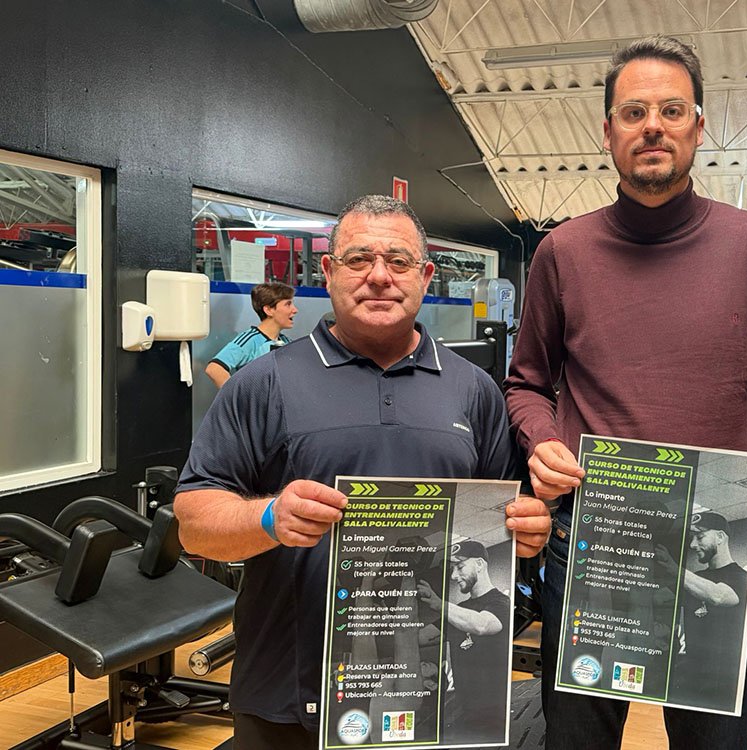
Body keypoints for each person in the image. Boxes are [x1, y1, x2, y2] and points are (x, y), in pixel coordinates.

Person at [503, 36, 747, 750]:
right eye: (633, 111)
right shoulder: (563, 252)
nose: (653, 125)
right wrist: (541, 440)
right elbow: (527, 381)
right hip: (594, 541)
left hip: (713, 538)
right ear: (607, 131)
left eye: (671, 110)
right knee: (578, 742)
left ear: (699, 127)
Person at [173, 195, 552, 749]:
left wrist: (530, 532)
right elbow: (193, 523)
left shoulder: (474, 390)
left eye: (398, 262)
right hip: (287, 694)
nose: (380, 277)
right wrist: (270, 516)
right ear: (327, 272)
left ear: (424, 276)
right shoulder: (264, 383)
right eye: (358, 260)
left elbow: (513, 518)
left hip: (426, 696)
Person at [416, 539, 511, 742]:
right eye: (452, 569)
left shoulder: (500, 603)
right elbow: (421, 638)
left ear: (479, 564)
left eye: (459, 567)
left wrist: (440, 604)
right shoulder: (458, 611)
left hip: (495, 714)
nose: (453, 576)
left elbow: (482, 625)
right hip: (465, 712)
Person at [662, 511, 747, 712]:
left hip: (722, 683)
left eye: (700, 537)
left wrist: (674, 570)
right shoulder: (696, 578)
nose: (693, 545)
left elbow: (718, 596)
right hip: (688, 678)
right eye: (692, 538)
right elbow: (662, 598)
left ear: (720, 537)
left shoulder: (741, 577)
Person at [205, 281, 298, 388]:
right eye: (288, 304)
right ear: (268, 310)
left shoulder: (287, 343)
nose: (295, 310)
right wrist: (239, 399)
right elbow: (214, 369)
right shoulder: (250, 340)